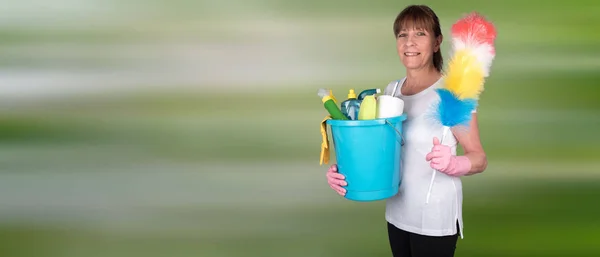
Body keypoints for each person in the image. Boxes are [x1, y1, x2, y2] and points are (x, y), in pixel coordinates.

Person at [325, 5, 488, 257]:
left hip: (434, 217)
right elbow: (378, 149)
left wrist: (454, 164)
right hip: (397, 212)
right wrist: (346, 170)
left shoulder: (453, 92)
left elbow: (478, 158)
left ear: (437, 42)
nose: (409, 42)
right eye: (402, 35)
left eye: (420, 34)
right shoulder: (392, 90)